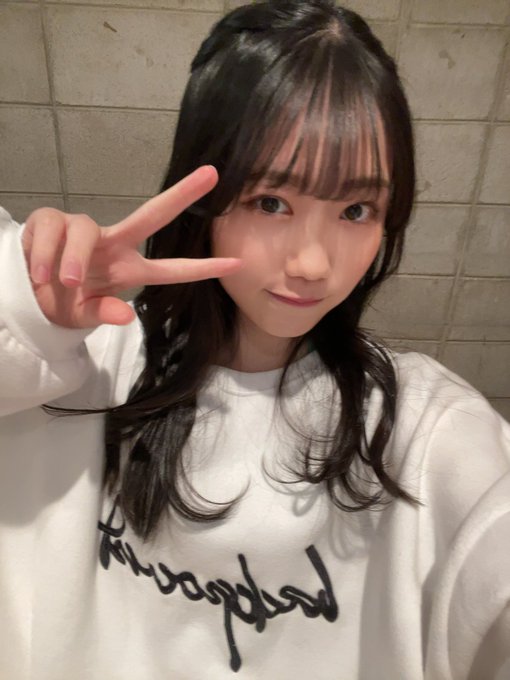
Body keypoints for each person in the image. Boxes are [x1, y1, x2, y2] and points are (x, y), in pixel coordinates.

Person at [0, 1, 509, 678]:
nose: (313, 264)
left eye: (356, 210)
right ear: (204, 196)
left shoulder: (422, 426)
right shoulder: (82, 365)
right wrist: (21, 310)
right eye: (273, 202)